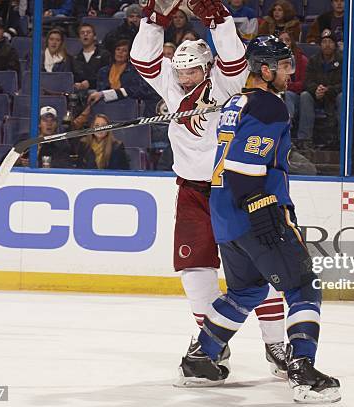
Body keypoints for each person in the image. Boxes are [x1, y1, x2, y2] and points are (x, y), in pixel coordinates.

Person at [178, 35, 341, 404]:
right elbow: (242, 166)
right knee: (303, 287)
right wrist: (262, 209)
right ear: (264, 70)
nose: (291, 72)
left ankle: (201, 358)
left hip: (223, 213)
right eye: (284, 66)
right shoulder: (270, 106)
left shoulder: (237, 101)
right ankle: (302, 370)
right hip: (254, 211)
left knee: (245, 290)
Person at [131, 0, 288, 377]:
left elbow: (234, 56)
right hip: (191, 193)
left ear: (207, 67)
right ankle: (211, 344)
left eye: (192, 72)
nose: (185, 79)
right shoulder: (171, 83)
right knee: (195, 272)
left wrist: (218, 18)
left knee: (264, 269)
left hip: (232, 190)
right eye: (181, 72)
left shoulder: (226, 81)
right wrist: (154, 20)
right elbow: (143, 60)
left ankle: (276, 345)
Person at [87, 39, 160, 117]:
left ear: (128, 54)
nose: (120, 52)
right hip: (107, 108)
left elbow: (137, 90)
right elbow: (101, 90)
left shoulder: (135, 71)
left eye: (124, 50)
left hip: (128, 109)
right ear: (114, 51)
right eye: (118, 49)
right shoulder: (103, 71)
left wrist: (109, 94)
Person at [297, 29, 342, 147]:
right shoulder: (313, 60)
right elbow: (307, 81)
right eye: (324, 42)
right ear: (320, 45)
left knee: (343, 98)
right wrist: (316, 89)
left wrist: (328, 90)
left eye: (330, 42)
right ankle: (304, 140)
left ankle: (342, 139)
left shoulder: (343, 60)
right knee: (305, 96)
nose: (327, 45)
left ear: (335, 45)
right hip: (317, 96)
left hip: (334, 96)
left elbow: (348, 84)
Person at [278, 31, 307, 127]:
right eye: (281, 40)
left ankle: (287, 127)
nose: (284, 43)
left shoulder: (302, 60)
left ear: (292, 43)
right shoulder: (273, 61)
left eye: (287, 40)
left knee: (288, 94)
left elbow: (303, 85)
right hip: (279, 95)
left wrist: (287, 86)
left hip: (297, 98)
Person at [72, 23, 111, 93]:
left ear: (95, 36)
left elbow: (107, 76)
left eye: (88, 32)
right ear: (79, 38)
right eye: (82, 33)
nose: (85, 34)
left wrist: (90, 83)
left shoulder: (105, 55)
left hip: (99, 91)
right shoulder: (75, 58)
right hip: (80, 93)